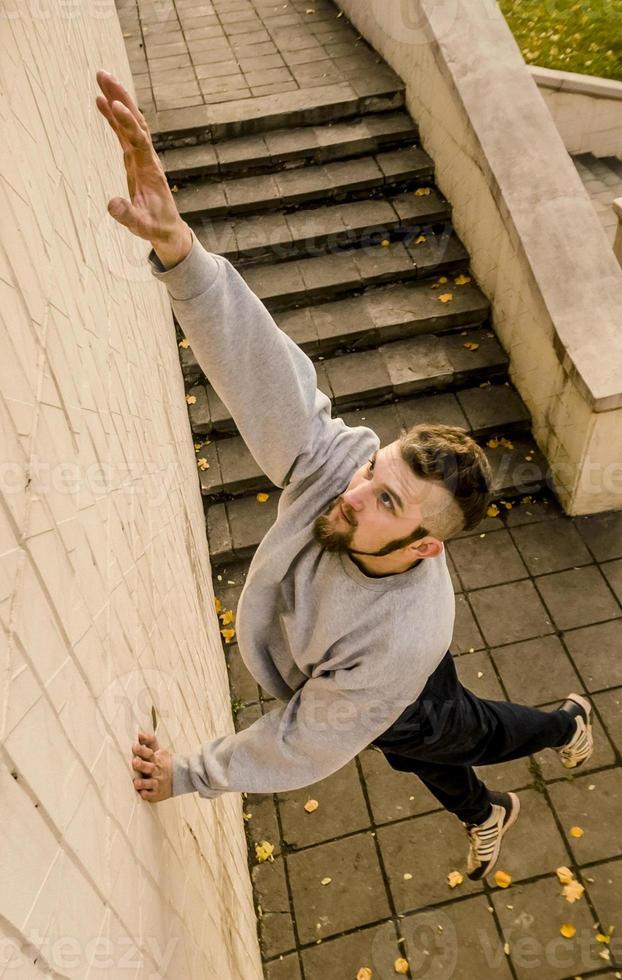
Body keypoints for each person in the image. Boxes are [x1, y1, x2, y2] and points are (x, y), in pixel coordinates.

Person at [96, 70, 594, 880]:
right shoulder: (340, 474)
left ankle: (564, 725)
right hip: (377, 675)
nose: (352, 493)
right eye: (375, 468)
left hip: (400, 673)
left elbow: (300, 742)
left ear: (424, 545)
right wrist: (180, 253)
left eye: (385, 500)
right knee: (402, 746)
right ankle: (488, 809)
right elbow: (269, 377)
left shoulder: (391, 648)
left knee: (461, 731)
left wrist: (187, 774)